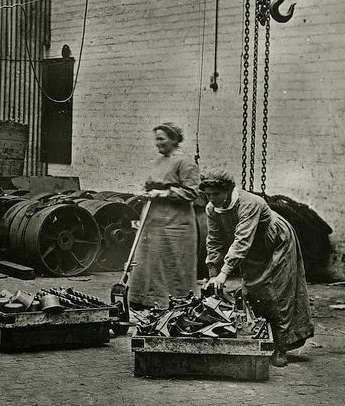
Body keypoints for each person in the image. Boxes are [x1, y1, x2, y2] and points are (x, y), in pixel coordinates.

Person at [200, 169, 314, 367]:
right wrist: (213, 274)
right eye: (208, 195)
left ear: (228, 191)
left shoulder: (250, 203)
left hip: (276, 241)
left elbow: (242, 240)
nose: (212, 199)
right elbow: (214, 241)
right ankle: (262, 338)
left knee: (277, 293)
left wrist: (225, 273)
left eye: (216, 194)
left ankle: (280, 347)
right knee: (253, 289)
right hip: (253, 247)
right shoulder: (212, 209)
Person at [127, 122, 200, 308]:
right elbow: (151, 183)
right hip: (153, 220)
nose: (157, 143)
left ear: (174, 139)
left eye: (161, 139)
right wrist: (145, 191)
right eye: (156, 139)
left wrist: (164, 193)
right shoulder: (158, 161)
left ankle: (174, 302)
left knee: (172, 263)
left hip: (175, 223)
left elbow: (192, 192)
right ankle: (146, 301)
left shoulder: (186, 162)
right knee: (149, 262)